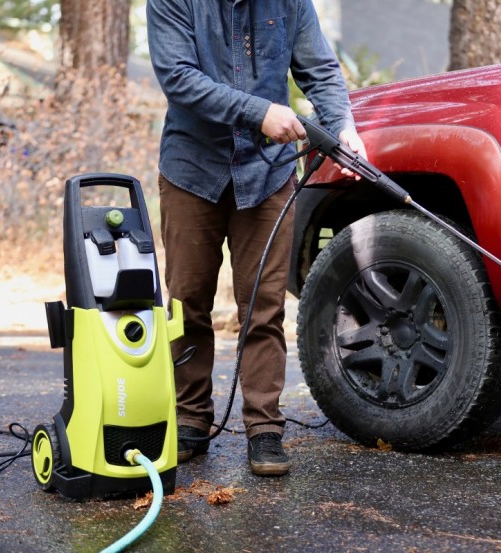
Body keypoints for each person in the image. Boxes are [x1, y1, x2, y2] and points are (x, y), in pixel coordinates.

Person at [146, 0, 366, 476]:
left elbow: (320, 70)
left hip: (267, 175)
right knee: (187, 304)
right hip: (191, 171)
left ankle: (264, 428)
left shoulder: (290, 3)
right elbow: (178, 78)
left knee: (264, 307)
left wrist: (344, 128)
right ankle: (190, 420)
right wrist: (259, 111)